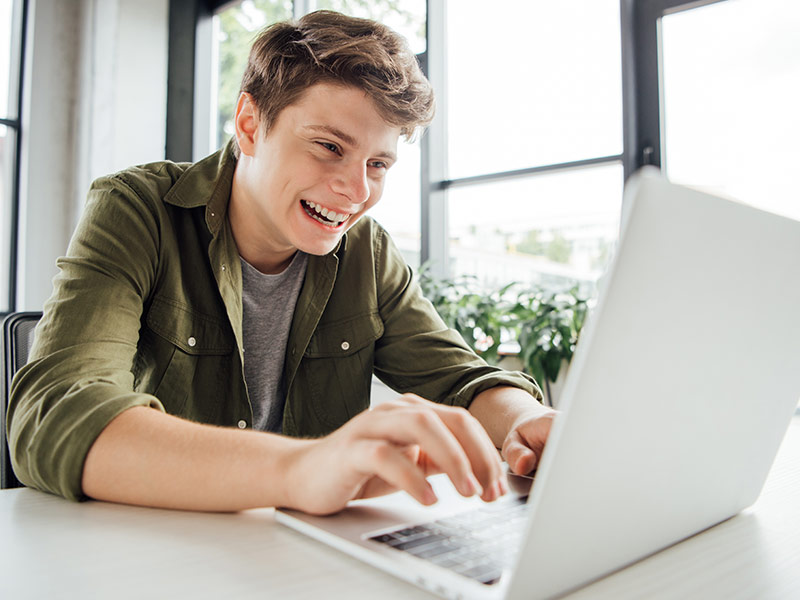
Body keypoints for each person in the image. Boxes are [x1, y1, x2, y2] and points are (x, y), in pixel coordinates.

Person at [7, 10, 555, 515]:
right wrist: (301, 470)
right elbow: (55, 414)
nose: (356, 191)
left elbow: (459, 377)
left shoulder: (367, 251)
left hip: (298, 552)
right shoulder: (138, 210)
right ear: (249, 125)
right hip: (153, 542)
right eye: (329, 147)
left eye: (378, 164)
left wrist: (526, 421)